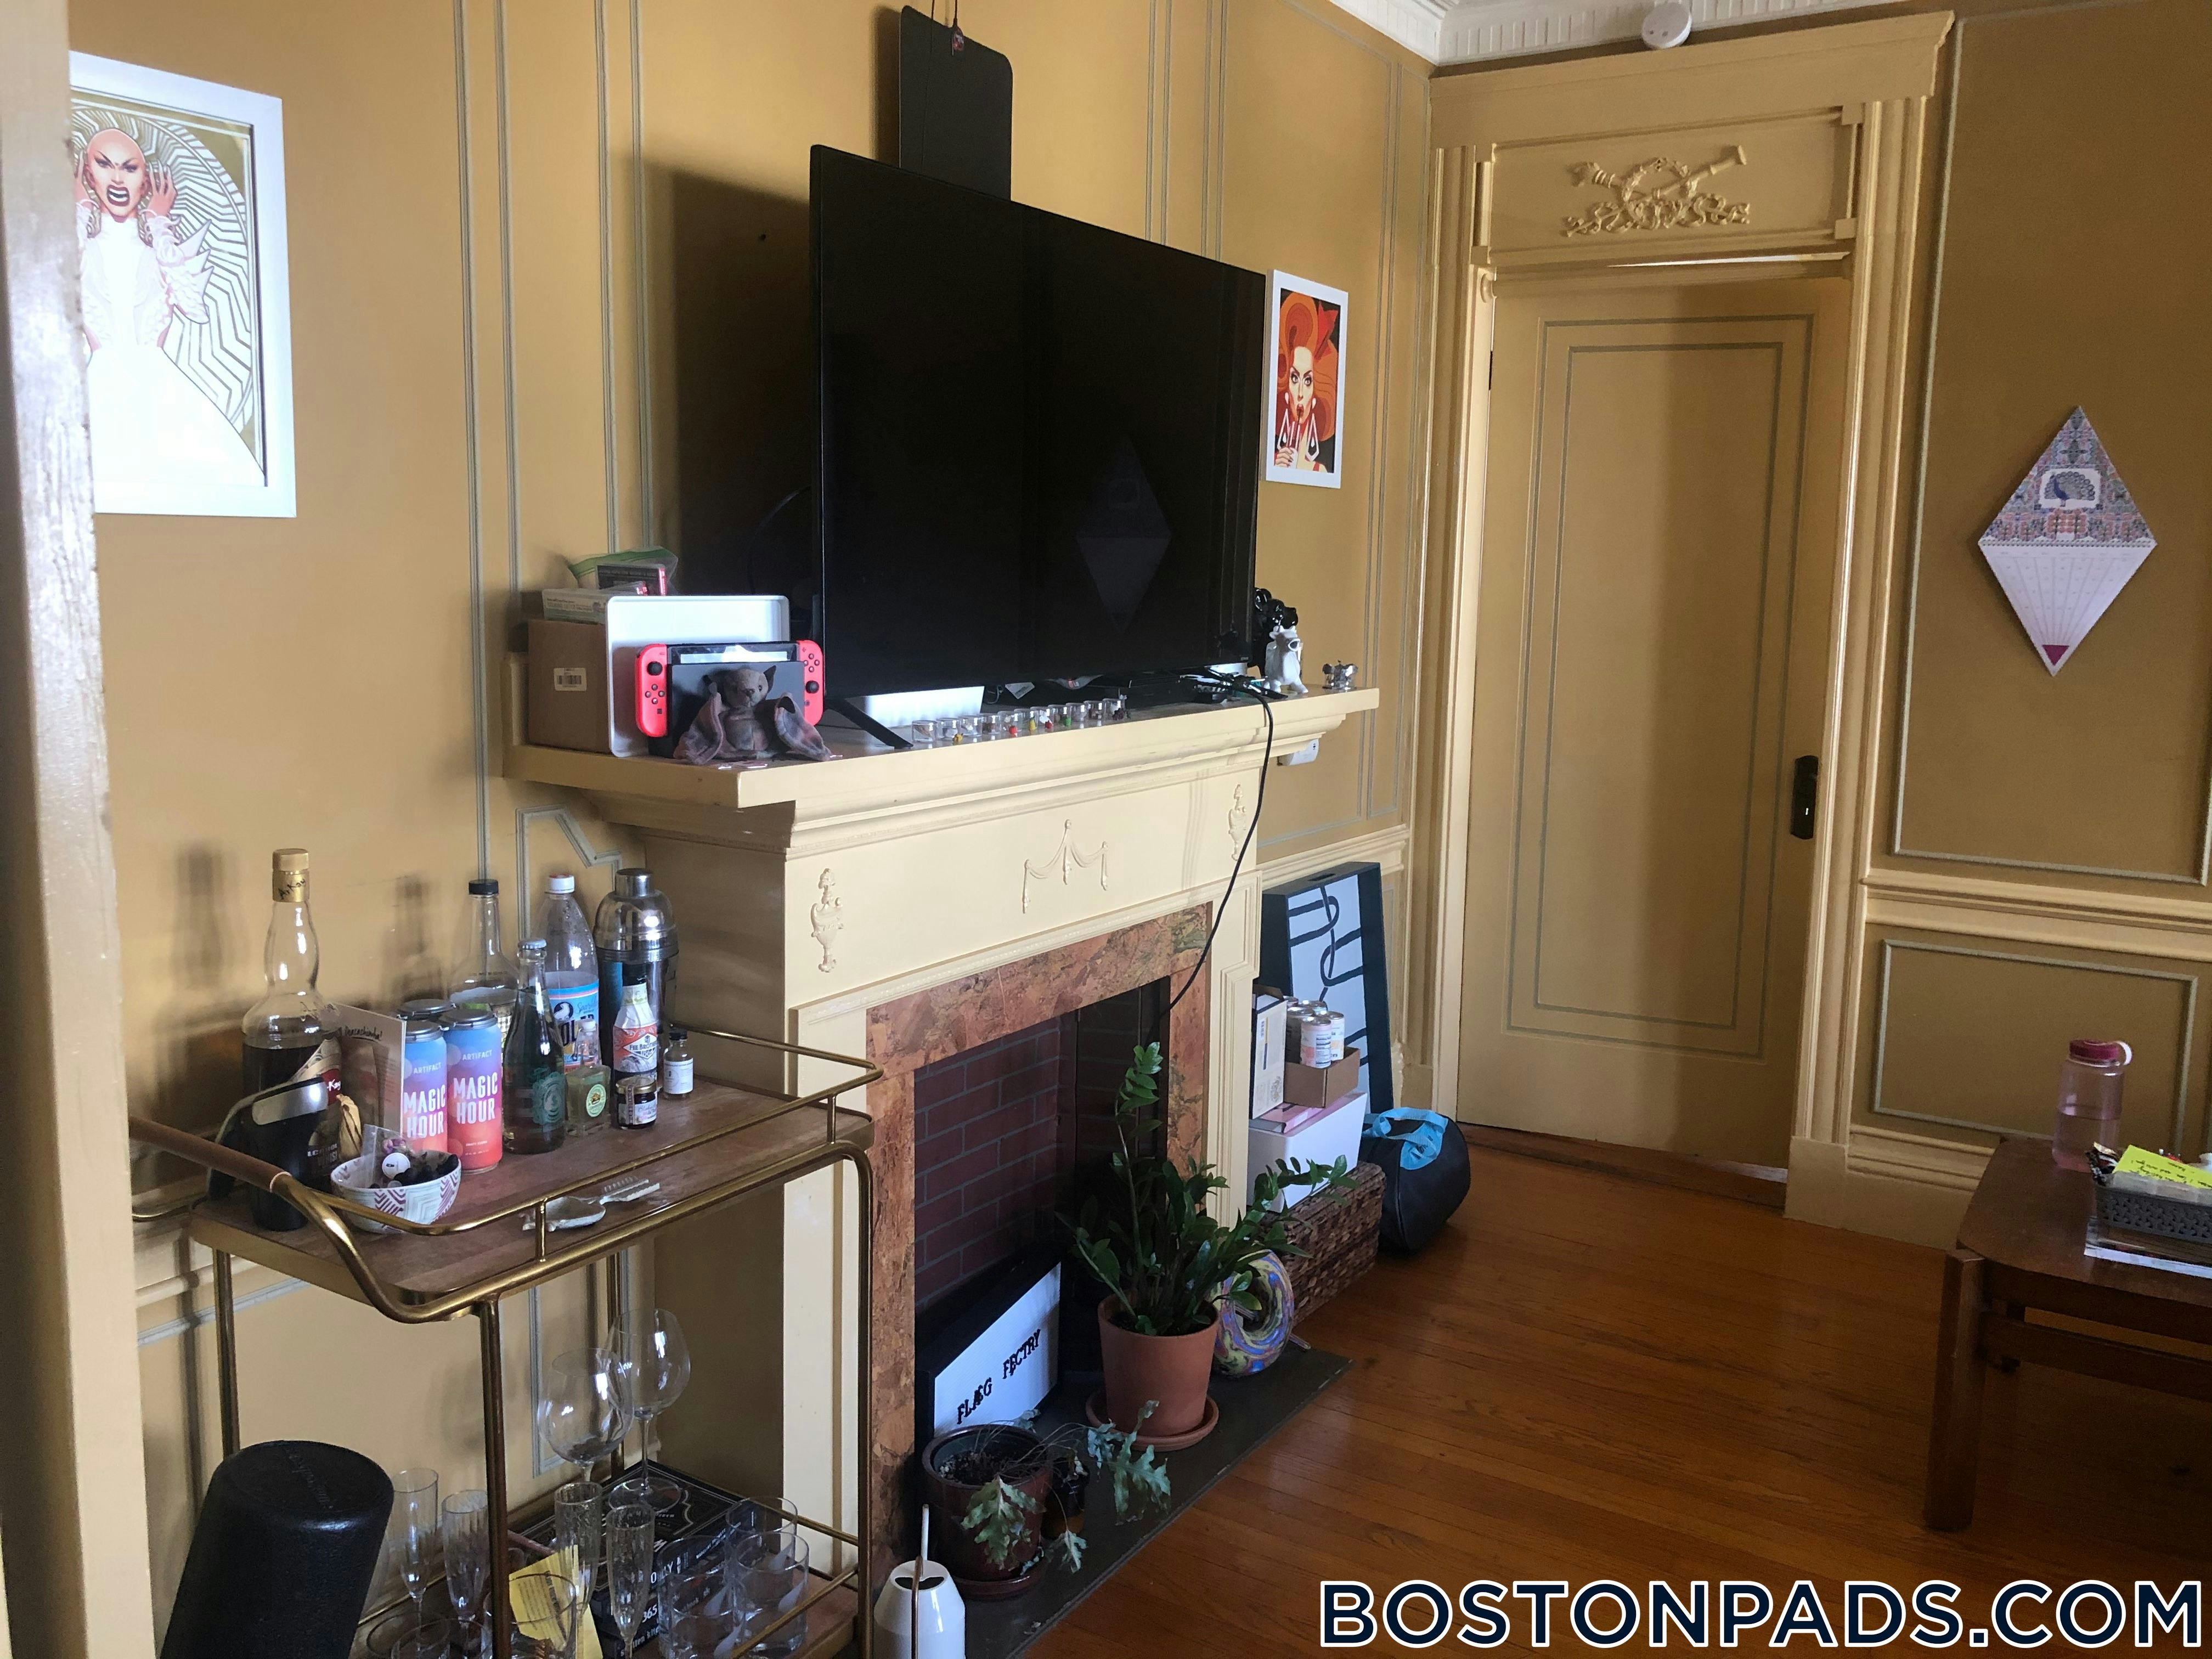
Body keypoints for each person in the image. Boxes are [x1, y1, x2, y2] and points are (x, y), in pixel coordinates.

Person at [75, 125, 263, 492]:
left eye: (130, 168)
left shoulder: (161, 255)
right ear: (87, 174)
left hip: (164, 399)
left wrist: (159, 224)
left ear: (146, 181)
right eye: (104, 164)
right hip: (101, 396)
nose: (117, 179)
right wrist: (80, 210)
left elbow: (194, 308)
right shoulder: (81, 249)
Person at [1272, 293, 1338, 475]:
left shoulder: (1321, 471)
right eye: (1295, 379)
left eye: (1308, 381)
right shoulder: (1273, 463)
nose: (1300, 392)